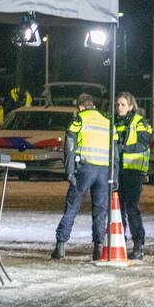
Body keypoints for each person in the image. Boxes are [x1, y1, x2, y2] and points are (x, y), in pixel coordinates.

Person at [51, 93, 115, 261]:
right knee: (100, 210)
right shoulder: (108, 122)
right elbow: (114, 151)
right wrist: (113, 175)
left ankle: (61, 245)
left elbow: (69, 148)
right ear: (92, 105)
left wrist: (69, 171)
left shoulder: (78, 120)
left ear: (80, 107)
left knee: (72, 206)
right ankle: (98, 247)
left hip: (85, 169)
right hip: (104, 171)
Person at [115, 92, 153, 259]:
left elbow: (143, 144)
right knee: (117, 209)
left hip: (133, 171)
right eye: (118, 104)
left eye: (123, 104)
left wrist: (123, 149)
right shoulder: (114, 122)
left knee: (131, 208)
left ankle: (138, 244)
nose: (119, 107)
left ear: (131, 106)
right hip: (117, 171)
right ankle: (119, 241)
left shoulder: (140, 122)